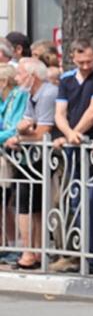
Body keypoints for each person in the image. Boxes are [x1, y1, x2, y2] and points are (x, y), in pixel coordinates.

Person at [49, 38, 93, 274]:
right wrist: (68, 134)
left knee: (92, 198)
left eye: (90, 61)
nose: (86, 66)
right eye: (81, 62)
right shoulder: (67, 79)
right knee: (72, 199)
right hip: (73, 146)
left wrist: (75, 133)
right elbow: (59, 112)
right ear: (73, 58)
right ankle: (75, 253)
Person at [7, 58, 56, 270]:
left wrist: (20, 138)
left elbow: (42, 132)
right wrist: (22, 132)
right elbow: (24, 124)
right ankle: (35, 251)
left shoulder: (47, 94)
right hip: (31, 156)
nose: (16, 78)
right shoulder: (30, 94)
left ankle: (29, 252)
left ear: (32, 76)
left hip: (42, 157)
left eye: (19, 74)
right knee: (30, 205)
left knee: (27, 206)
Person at [0, 63, 29, 264]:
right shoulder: (7, 99)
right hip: (7, 151)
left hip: (13, 156)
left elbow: (14, 127)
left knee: (7, 202)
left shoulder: (18, 96)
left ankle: (13, 245)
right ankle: (9, 245)